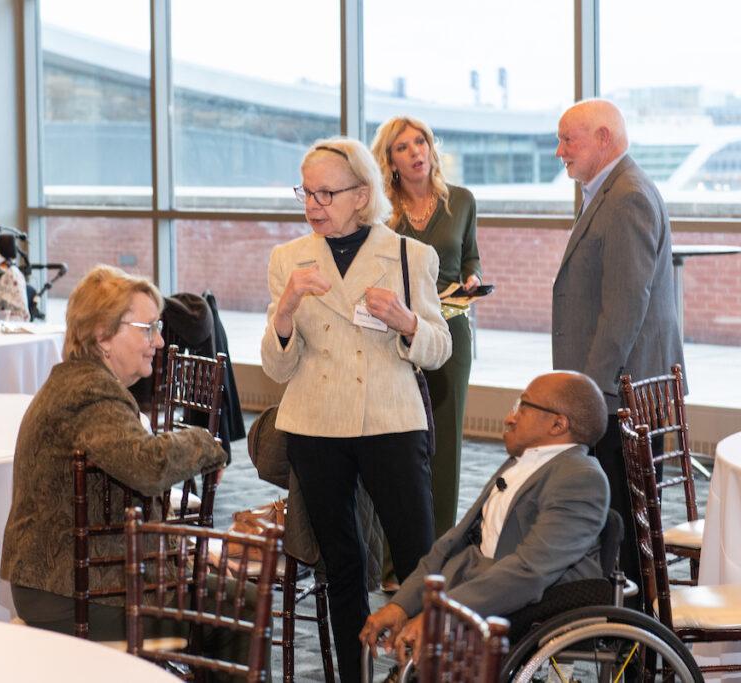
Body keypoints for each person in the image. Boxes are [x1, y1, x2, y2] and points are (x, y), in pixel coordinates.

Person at [261, 136, 452, 682]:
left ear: (362, 195)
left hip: (391, 420)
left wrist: (407, 321)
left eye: (327, 193)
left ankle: (424, 672)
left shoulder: (409, 255)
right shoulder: (287, 260)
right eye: (307, 192)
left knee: (419, 559)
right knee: (342, 565)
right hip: (316, 424)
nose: (313, 204)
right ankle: (354, 675)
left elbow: (440, 349)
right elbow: (277, 367)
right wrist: (287, 308)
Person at [0, 265, 238, 657]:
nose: (159, 342)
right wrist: (205, 442)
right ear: (103, 335)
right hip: (72, 596)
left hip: (68, 584)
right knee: (239, 608)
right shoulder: (90, 393)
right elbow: (147, 466)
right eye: (148, 329)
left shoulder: (80, 382)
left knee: (223, 592)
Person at [360, 371, 611, 667]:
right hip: (478, 579)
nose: (509, 417)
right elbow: (451, 543)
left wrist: (445, 614)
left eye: (522, 406)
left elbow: (528, 572)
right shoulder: (522, 462)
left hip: (538, 599)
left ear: (558, 424)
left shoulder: (580, 479)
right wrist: (403, 604)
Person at [551, 98, 685, 598]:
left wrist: (584, 393)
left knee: (628, 533)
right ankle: (627, 639)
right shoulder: (609, 190)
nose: (558, 151)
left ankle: (636, 652)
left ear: (603, 139)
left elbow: (624, 310)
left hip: (621, 397)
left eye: (568, 139)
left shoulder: (627, 195)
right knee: (619, 527)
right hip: (618, 392)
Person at [371, 115, 483, 542]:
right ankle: (393, 552)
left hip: (451, 331)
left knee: (446, 443)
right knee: (399, 440)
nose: (416, 151)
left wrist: (473, 277)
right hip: (395, 332)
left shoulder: (462, 200)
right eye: (403, 147)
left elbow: (470, 257)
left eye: (421, 142)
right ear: (391, 160)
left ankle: (438, 548)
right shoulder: (380, 210)